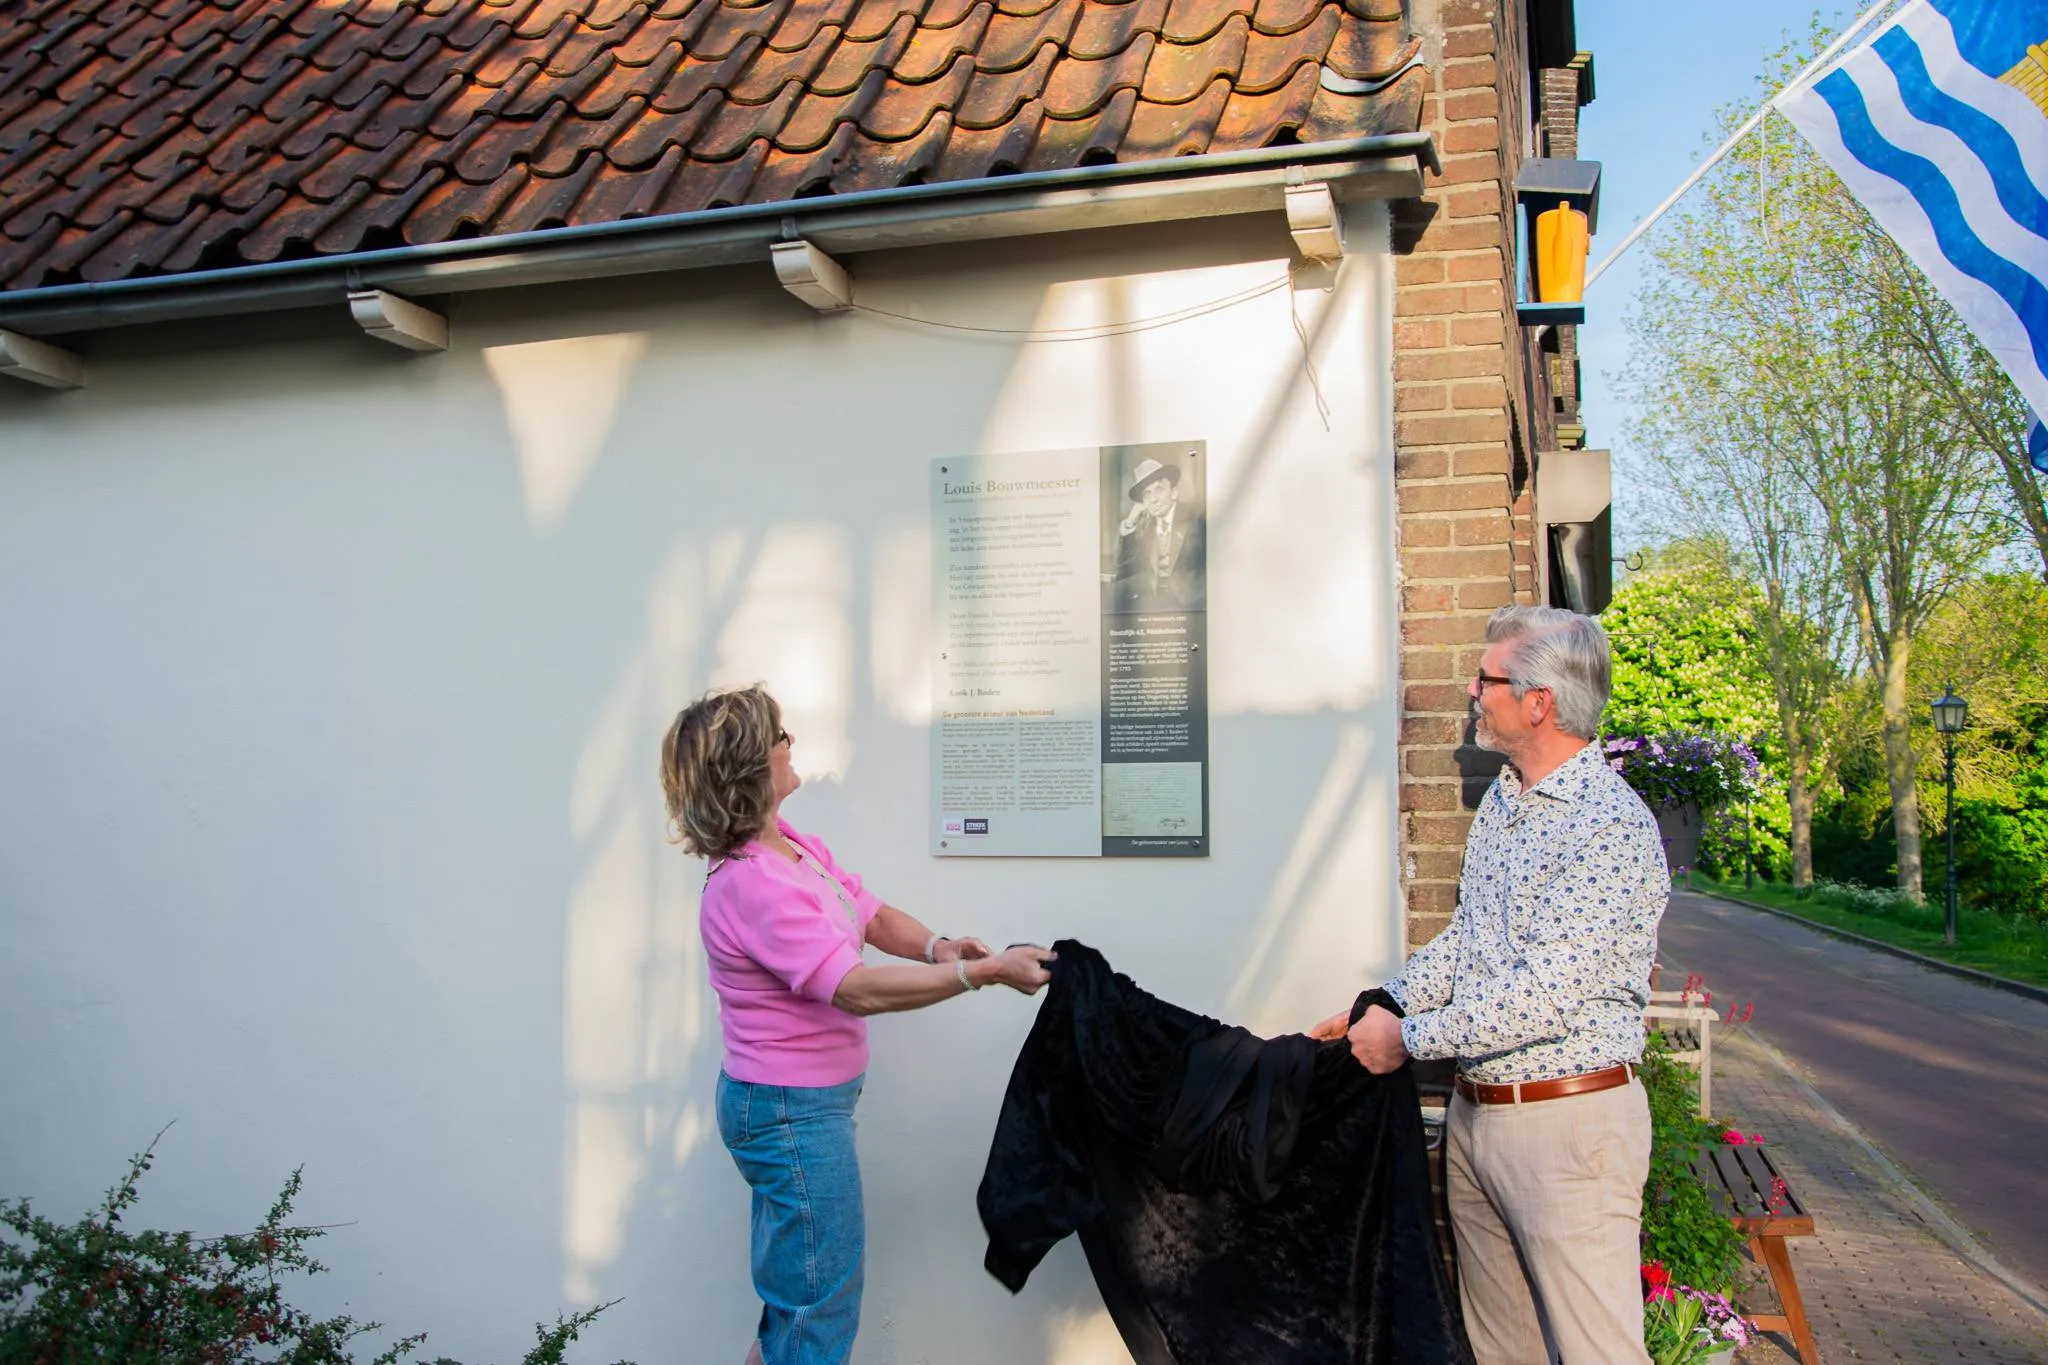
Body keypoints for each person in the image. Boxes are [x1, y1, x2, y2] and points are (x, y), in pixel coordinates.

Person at [1312, 606, 1667, 1365]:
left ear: (1539, 702)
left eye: (1487, 678)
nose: (1473, 690)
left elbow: (1542, 993)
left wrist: (1404, 1040)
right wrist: (1385, 1002)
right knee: (1503, 1350)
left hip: (1567, 1129)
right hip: (1479, 1120)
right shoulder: (1506, 799)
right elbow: (1474, 940)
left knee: (1596, 1351)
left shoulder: (1610, 825)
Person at [659, 685, 1055, 1365]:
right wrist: (980, 975)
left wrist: (938, 946)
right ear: (750, 763)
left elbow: (867, 914)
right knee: (819, 1310)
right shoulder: (751, 885)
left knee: (796, 1301)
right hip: (789, 1115)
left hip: (797, 1107)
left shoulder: (790, 847)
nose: (791, 745)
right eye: (780, 736)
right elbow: (855, 989)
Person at [1110, 457, 1205, 613]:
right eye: (1147, 494)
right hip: (1154, 603)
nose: (1153, 499)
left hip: (1191, 605)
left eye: (1159, 490)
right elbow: (1121, 566)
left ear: (1173, 493)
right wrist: (1129, 522)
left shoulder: (1197, 519)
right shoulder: (1143, 526)